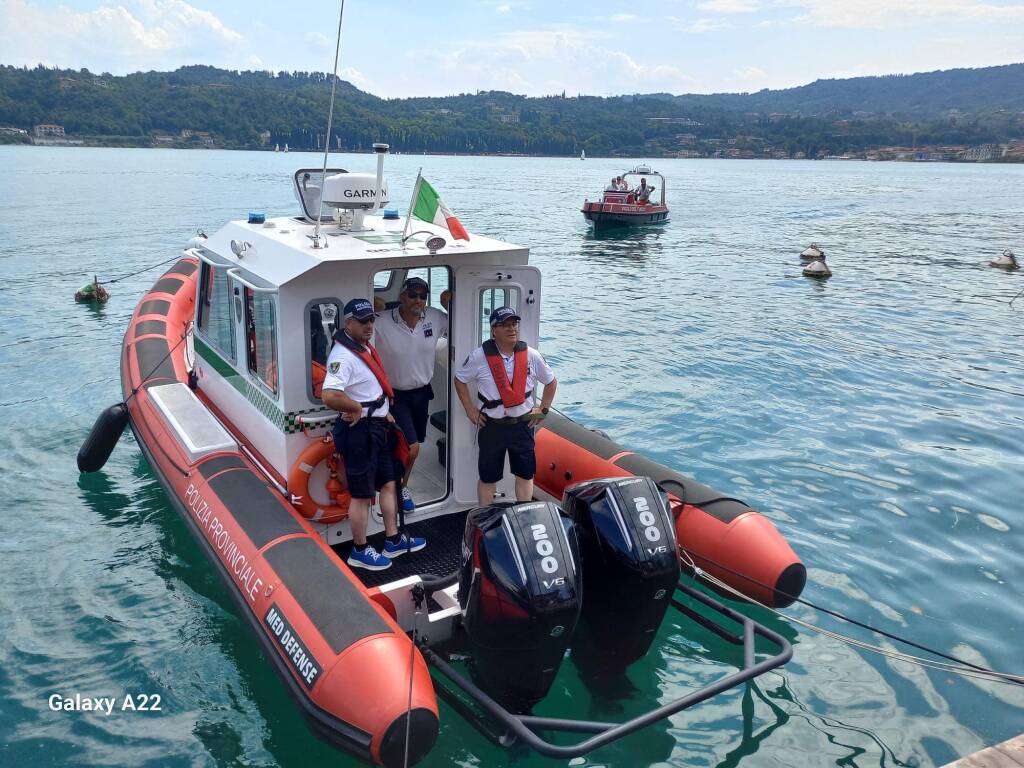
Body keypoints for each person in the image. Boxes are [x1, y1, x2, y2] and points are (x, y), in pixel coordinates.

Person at [321, 298, 426, 571]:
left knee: (390, 482)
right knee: (362, 493)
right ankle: (360, 549)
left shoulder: (363, 348)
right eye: (363, 321)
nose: (369, 325)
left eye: (371, 320)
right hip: (359, 433)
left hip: (378, 427)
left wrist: (384, 412)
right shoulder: (342, 356)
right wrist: (354, 406)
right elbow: (330, 394)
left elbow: (370, 388)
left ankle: (392, 539)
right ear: (348, 323)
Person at [454, 306, 557, 506]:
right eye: (505, 325)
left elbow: (551, 382)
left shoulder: (531, 355)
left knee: (525, 474)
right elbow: (460, 379)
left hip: (522, 426)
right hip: (492, 426)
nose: (512, 329)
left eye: (514, 324)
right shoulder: (478, 357)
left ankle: (526, 512)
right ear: (493, 330)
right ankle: (485, 516)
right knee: (488, 477)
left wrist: (543, 409)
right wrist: (469, 409)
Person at [372, 277, 449, 512]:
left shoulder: (435, 317)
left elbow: (462, 321)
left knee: (415, 447)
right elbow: (357, 323)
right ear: (402, 297)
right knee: (412, 447)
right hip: (394, 395)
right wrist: (373, 302)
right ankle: (397, 489)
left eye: (423, 296)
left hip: (422, 394)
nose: (419, 300)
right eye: (413, 294)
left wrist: (448, 300)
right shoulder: (381, 321)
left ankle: (399, 484)